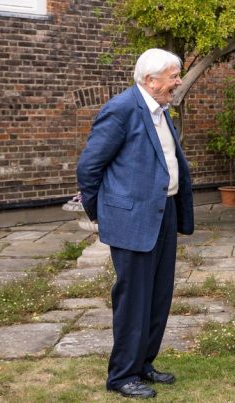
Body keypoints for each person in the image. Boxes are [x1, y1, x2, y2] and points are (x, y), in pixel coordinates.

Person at [76, 48, 194, 399]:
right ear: (150, 80)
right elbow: (89, 167)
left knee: (159, 296)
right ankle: (121, 375)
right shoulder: (122, 108)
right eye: (173, 76)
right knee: (133, 299)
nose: (178, 81)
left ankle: (143, 364)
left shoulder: (160, 110)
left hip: (163, 213)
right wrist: (103, 212)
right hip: (132, 219)